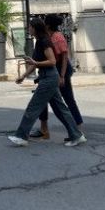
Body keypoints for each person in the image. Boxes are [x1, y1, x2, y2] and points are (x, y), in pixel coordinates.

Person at [10, 17, 86, 147]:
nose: (28, 29)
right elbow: (34, 64)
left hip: (49, 77)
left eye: (30, 27)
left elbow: (52, 61)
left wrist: (37, 63)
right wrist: (23, 75)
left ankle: (21, 136)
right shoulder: (40, 41)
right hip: (48, 77)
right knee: (60, 109)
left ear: (35, 28)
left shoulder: (45, 41)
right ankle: (76, 135)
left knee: (33, 108)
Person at [31, 14, 84, 141]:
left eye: (45, 21)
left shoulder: (58, 37)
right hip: (51, 71)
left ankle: (78, 128)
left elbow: (65, 57)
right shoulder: (47, 36)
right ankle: (44, 129)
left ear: (48, 24)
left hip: (61, 70)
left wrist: (62, 76)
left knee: (68, 99)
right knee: (43, 100)